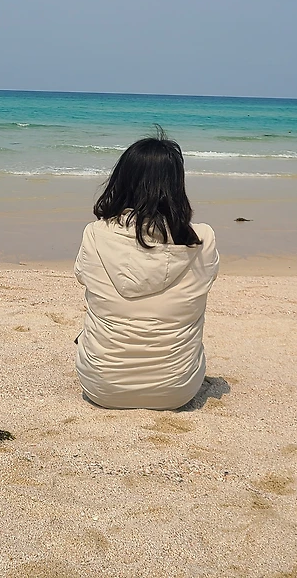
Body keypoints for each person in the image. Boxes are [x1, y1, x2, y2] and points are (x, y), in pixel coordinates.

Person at [74, 131, 219, 409]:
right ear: (176, 185)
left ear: (122, 180)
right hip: (177, 390)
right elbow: (207, 278)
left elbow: (82, 275)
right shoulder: (202, 240)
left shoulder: (95, 234)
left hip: (103, 387)